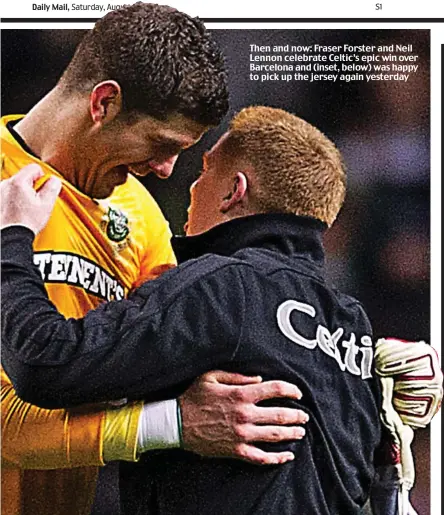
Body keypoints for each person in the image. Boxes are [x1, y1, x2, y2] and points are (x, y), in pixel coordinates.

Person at [0, 105, 387, 513]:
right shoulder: (352, 327)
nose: (189, 186)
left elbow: (45, 362)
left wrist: (12, 239)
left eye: (203, 172)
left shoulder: (222, 286)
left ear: (233, 191)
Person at [0, 6, 309, 515]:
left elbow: (203, 368)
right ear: (104, 102)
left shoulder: (139, 215)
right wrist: (174, 426)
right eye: (162, 145)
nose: (167, 172)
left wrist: (361, 362)